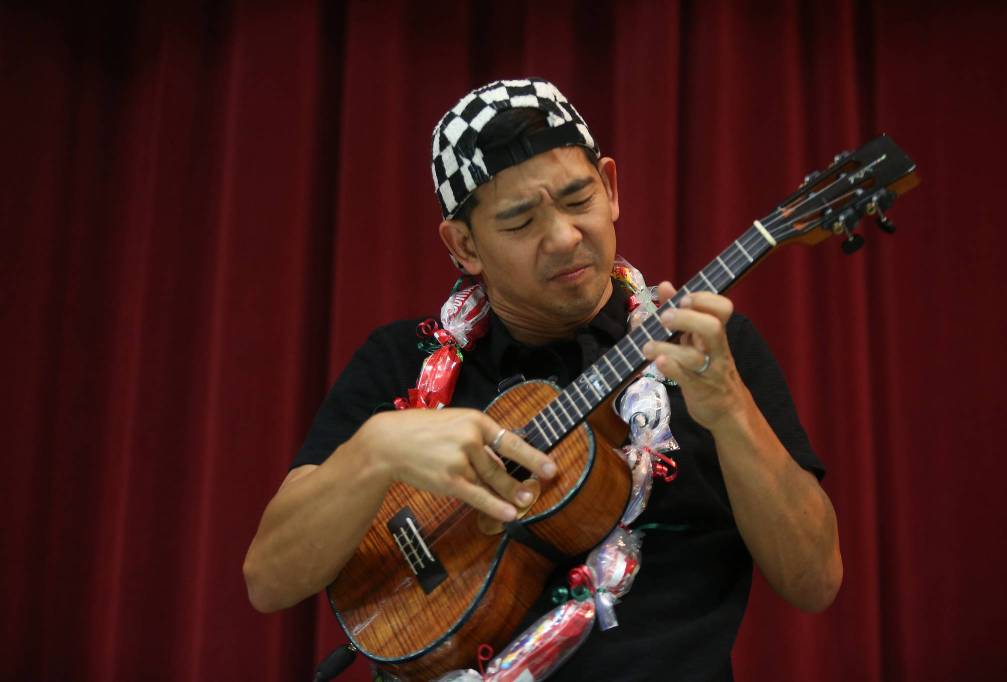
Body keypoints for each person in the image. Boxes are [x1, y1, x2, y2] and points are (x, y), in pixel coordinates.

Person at [243, 78, 842, 681]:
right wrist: (375, 451)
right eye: (520, 221)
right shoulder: (402, 361)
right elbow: (269, 580)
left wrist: (730, 410)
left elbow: (815, 581)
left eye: (579, 200)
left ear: (611, 188)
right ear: (464, 245)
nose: (563, 237)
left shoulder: (708, 351)